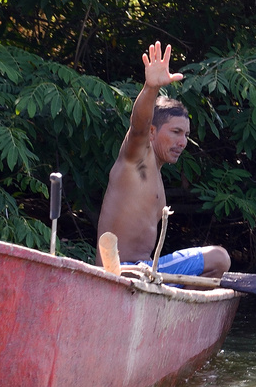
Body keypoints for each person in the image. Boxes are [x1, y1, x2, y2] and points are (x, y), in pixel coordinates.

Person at [96, 42, 231, 278]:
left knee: (212, 270)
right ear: (152, 132)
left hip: (147, 271)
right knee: (219, 258)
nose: (183, 142)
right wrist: (151, 87)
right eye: (176, 132)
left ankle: (174, 309)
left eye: (186, 135)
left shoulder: (156, 173)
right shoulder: (137, 159)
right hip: (121, 272)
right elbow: (138, 124)